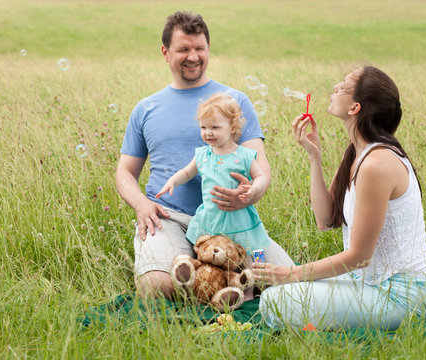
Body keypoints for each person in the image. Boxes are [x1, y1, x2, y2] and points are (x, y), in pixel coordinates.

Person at [116, 11, 293, 299]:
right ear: (165, 52)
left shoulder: (234, 102)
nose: (193, 56)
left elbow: (260, 168)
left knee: (289, 284)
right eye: (183, 49)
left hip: (232, 221)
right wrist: (141, 205)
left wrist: (249, 194)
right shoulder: (146, 108)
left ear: (208, 49)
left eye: (199, 48)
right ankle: (205, 278)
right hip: (168, 217)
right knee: (158, 287)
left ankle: (219, 284)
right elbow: (125, 172)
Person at [253, 66, 426, 331]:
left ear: (355, 108)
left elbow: (359, 257)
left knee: (274, 300)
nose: (335, 88)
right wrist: (314, 157)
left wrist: (290, 274)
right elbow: (325, 220)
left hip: (399, 297)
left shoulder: (377, 163)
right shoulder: (356, 153)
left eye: (344, 85)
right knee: (290, 286)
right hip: (367, 283)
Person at [156, 93, 273, 254]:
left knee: (247, 252)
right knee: (211, 253)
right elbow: (186, 172)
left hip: (238, 218)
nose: (208, 133)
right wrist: (172, 181)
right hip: (212, 218)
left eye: (215, 127)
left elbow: (261, 176)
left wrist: (253, 189)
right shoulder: (203, 155)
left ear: (232, 127)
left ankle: (255, 275)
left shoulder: (244, 155)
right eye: (203, 127)